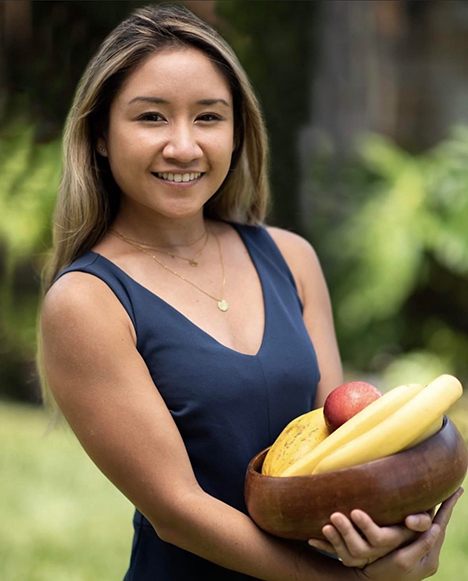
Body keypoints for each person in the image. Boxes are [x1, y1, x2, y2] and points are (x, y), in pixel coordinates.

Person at [37, 4, 462, 580]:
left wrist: (391, 540)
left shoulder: (291, 259)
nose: (184, 147)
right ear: (101, 137)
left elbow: (342, 452)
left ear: (238, 132)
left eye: (208, 117)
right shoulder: (88, 301)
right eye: (152, 118)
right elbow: (178, 512)